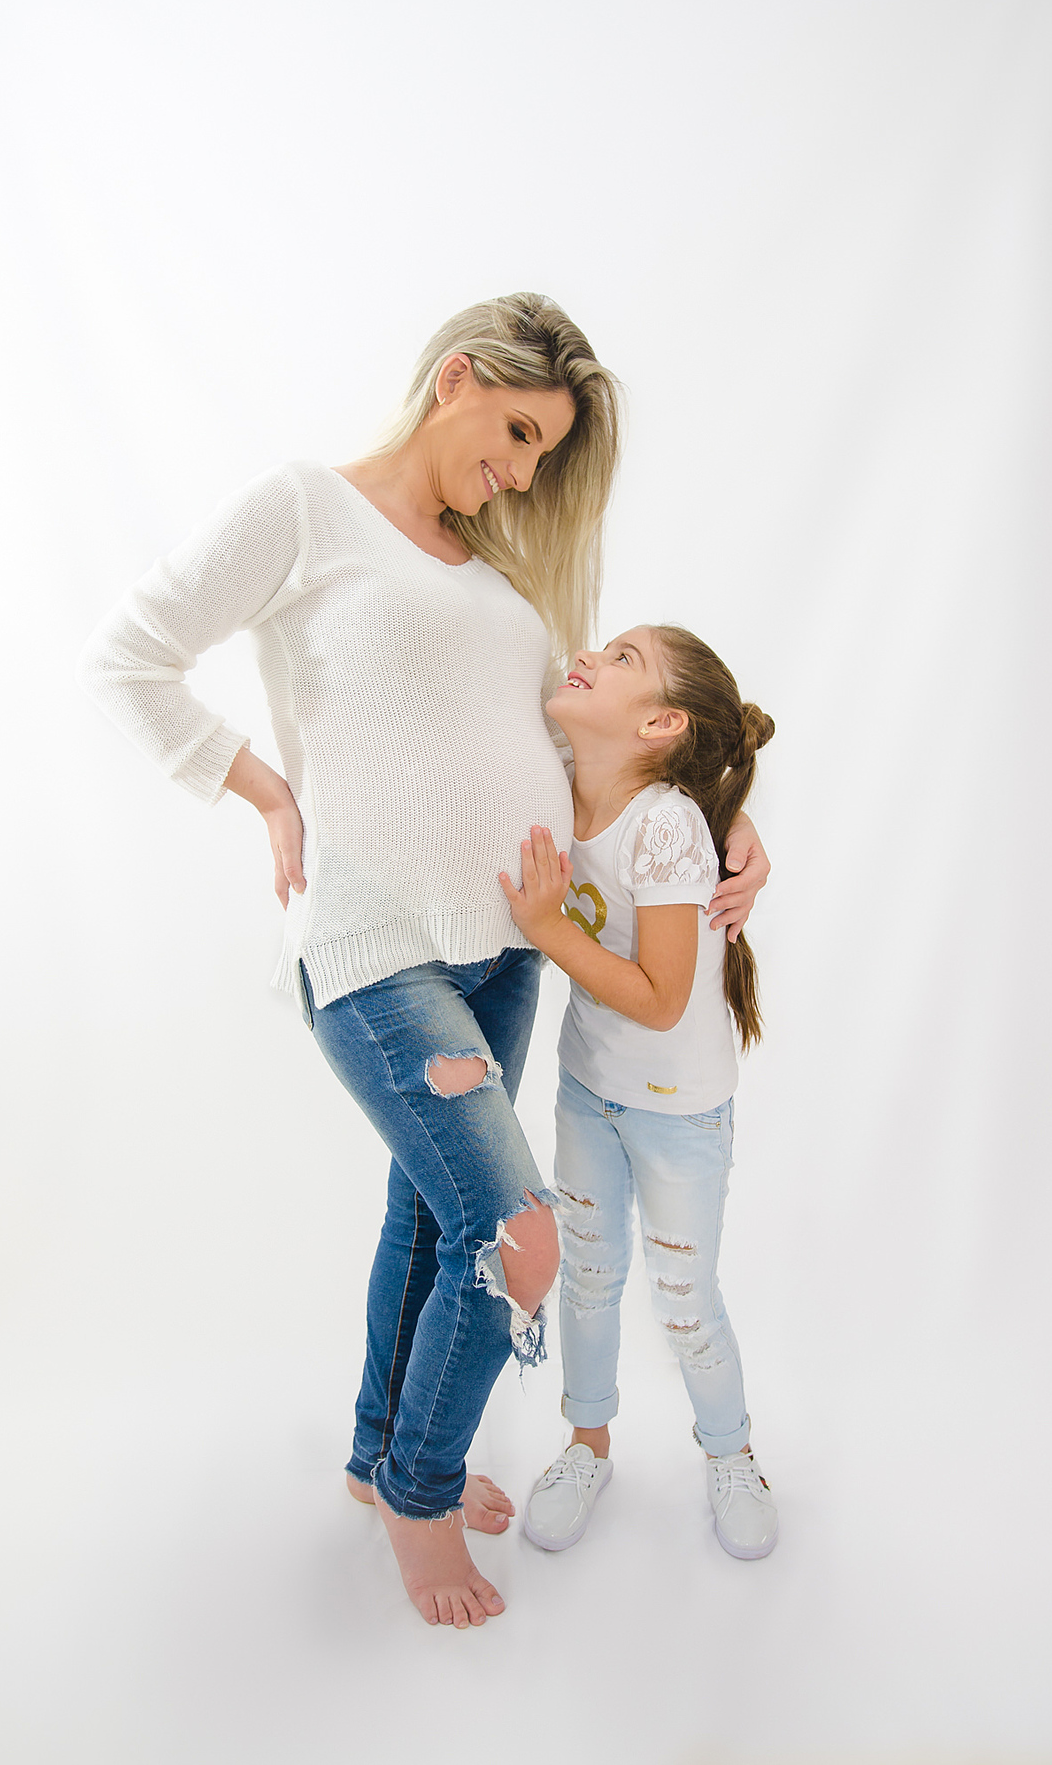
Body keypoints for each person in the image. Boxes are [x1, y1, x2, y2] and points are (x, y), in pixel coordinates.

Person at [78, 295, 771, 1629]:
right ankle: (420, 1493)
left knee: (429, 1213)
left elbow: (606, 739)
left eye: (541, 458)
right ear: (455, 378)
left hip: (508, 953)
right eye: (515, 433)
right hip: (375, 947)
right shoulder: (304, 510)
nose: (519, 473)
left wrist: (728, 821)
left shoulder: (488, 567)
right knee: (514, 1236)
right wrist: (268, 794)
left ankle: (373, 1454)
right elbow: (129, 657)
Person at [500, 622, 779, 1561]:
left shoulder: (663, 823)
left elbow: (662, 1002)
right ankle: (587, 1446)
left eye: (625, 660)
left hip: (680, 1111)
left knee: (685, 1297)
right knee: (588, 1277)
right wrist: (734, 817)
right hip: (590, 1091)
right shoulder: (560, 770)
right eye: (606, 645)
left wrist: (548, 928)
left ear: (659, 722)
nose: (593, 653)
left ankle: (732, 1453)